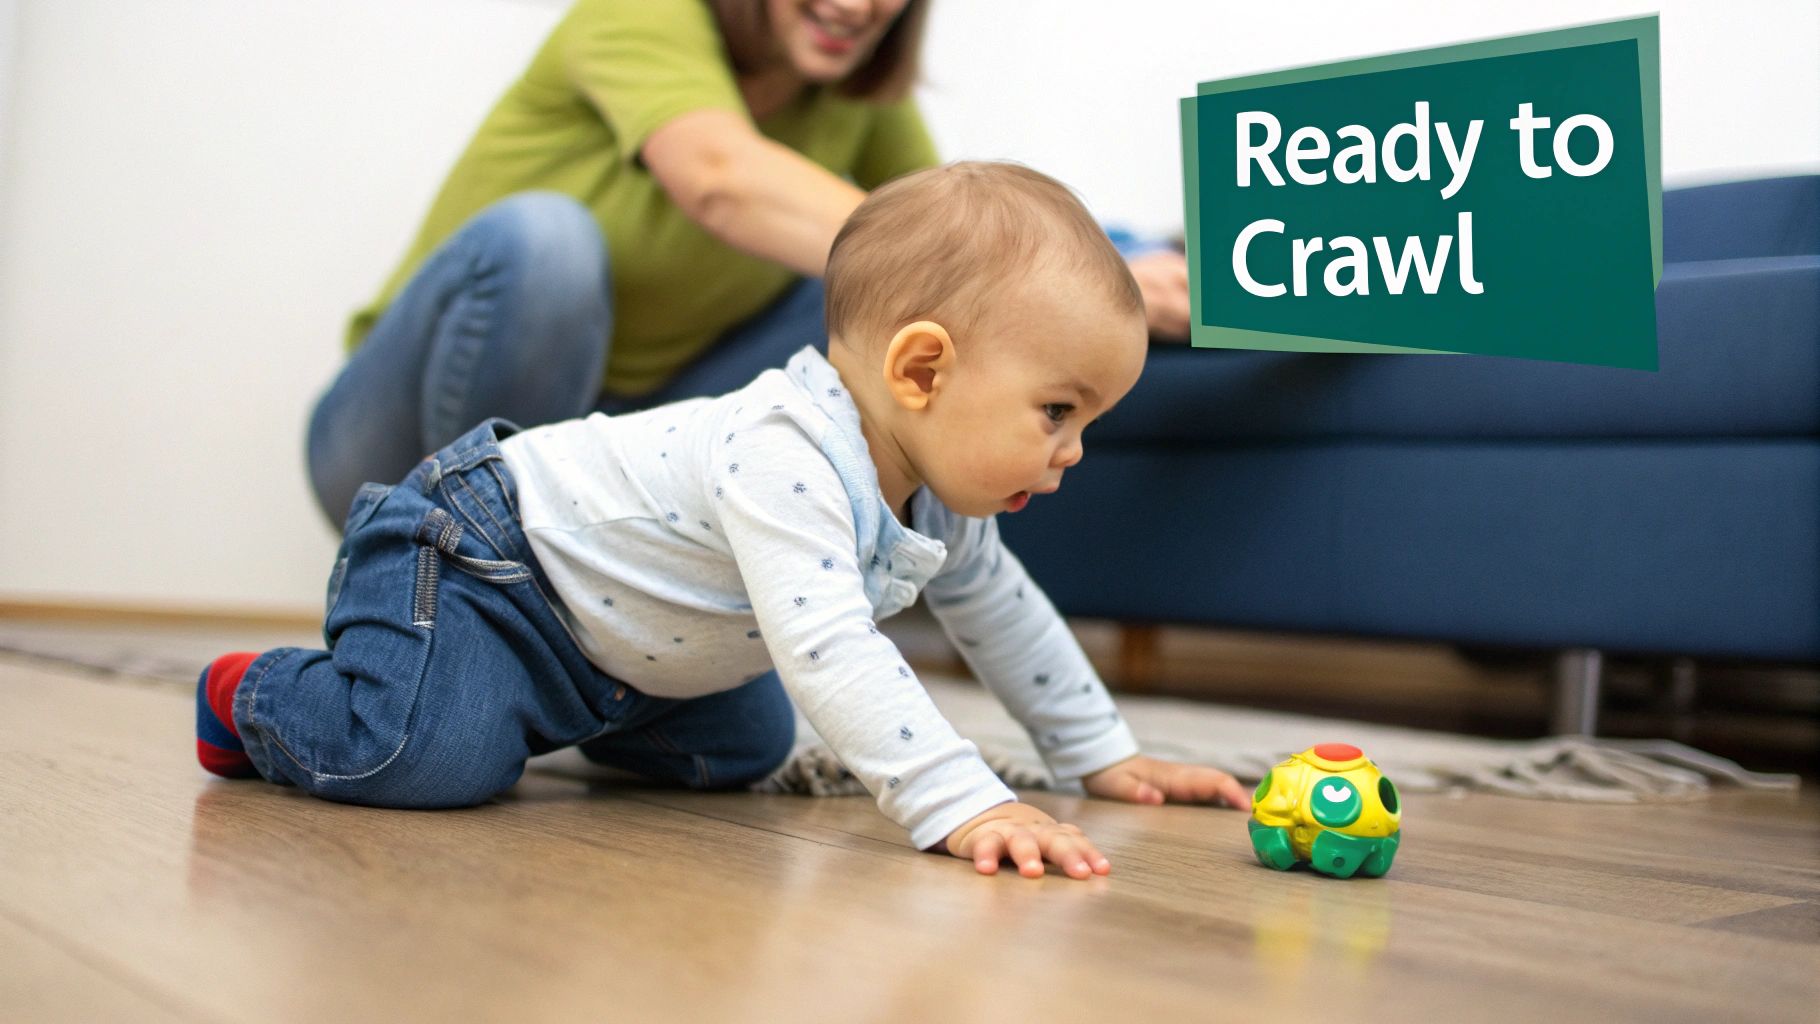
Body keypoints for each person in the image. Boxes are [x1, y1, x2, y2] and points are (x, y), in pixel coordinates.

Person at [200, 162, 1242, 880]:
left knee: (746, 741)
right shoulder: (784, 449)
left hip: (626, 659)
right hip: (484, 562)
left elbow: (999, 610)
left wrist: (1099, 752)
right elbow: (828, 644)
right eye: (1057, 412)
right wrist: (958, 800)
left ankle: (562, 716)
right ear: (920, 369)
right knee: (425, 760)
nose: (1072, 451)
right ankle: (256, 692)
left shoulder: (937, 492)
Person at [305, 0, 1192, 527]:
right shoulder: (643, 15)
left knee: (876, 301)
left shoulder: (850, 98)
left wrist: (1110, 271)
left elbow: (955, 223)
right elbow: (722, 178)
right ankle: (448, 566)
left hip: (618, 439)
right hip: (395, 438)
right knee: (547, 243)